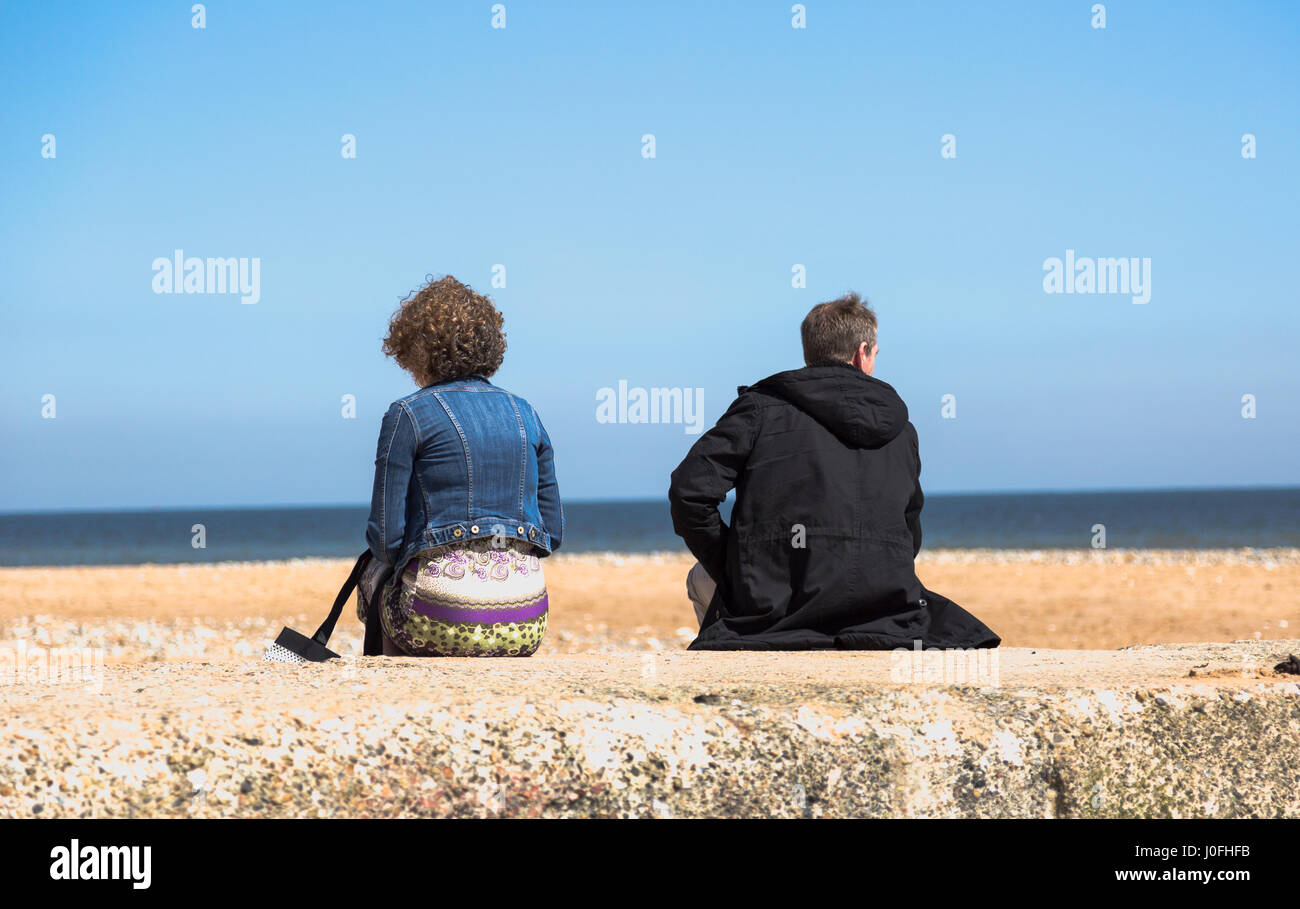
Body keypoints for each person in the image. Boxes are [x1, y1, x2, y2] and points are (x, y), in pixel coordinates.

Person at [668, 293, 999, 651]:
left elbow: (689, 493)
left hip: (773, 607)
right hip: (884, 610)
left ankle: (737, 679)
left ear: (810, 352)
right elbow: (908, 532)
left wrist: (737, 564)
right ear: (862, 353)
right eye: (874, 354)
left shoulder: (760, 410)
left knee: (700, 577)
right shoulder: (902, 430)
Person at [358, 275, 563, 656]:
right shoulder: (526, 413)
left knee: (373, 572)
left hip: (436, 621)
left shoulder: (407, 413)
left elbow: (385, 537)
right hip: (527, 621)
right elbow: (553, 533)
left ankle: (394, 677)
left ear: (414, 351)